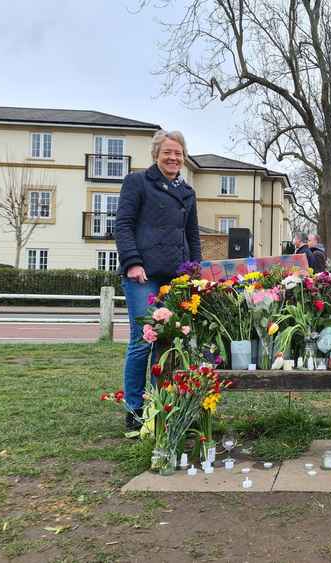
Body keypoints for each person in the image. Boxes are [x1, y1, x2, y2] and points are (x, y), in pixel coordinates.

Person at [115, 130, 201, 432]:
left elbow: (192, 235)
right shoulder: (138, 182)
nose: (173, 158)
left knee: (168, 344)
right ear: (156, 154)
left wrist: (194, 270)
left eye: (178, 153)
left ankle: (160, 405)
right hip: (144, 275)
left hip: (176, 277)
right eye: (168, 152)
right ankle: (135, 409)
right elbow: (123, 225)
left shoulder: (187, 192)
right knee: (142, 340)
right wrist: (133, 262)